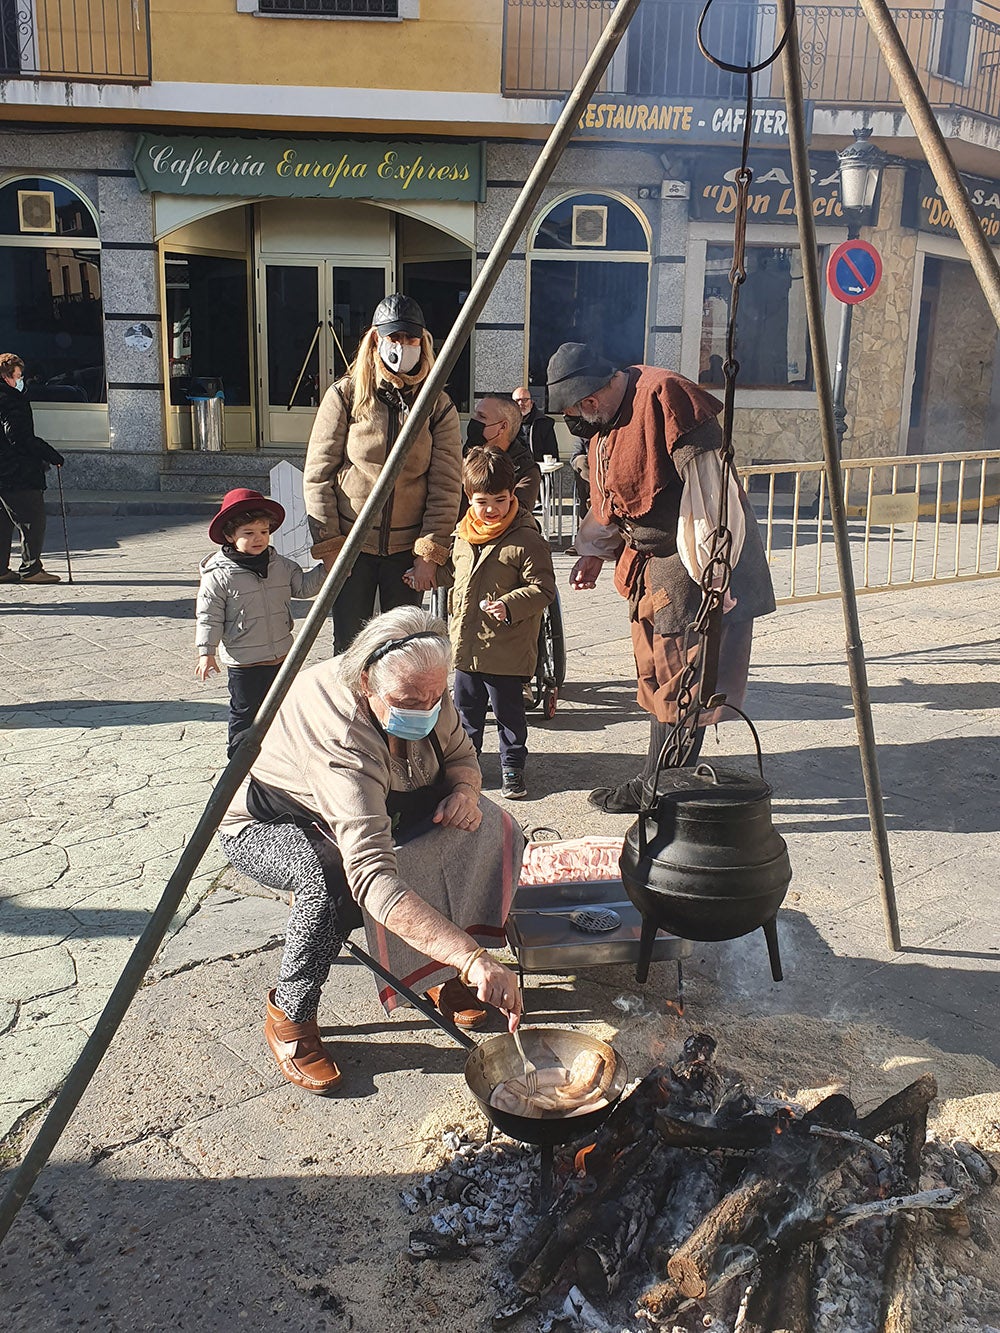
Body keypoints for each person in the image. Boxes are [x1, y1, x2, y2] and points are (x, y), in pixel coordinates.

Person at [219, 605, 524, 1094]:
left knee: (485, 825)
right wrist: (473, 957)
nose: (425, 709)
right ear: (366, 682)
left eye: (434, 696)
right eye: (408, 699)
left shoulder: (423, 684)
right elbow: (372, 874)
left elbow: (464, 756)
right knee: (328, 882)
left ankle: (440, 973)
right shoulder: (342, 734)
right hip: (271, 822)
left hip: (384, 802)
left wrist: (464, 791)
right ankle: (290, 1012)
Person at [546, 342, 776, 815]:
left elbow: (712, 495)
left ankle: (666, 790)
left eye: (577, 411)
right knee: (656, 680)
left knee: (683, 683)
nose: (581, 421)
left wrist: (717, 572)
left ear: (590, 398)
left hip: (694, 561)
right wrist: (595, 550)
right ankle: (656, 779)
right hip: (650, 563)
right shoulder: (606, 419)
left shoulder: (665, 396)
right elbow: (613, 494)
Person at [303, 294, 463, 652]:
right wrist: (329, 546)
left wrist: (429, 554)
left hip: (406, 549)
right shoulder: (345, 395)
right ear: (377, 339)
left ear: (423, 343)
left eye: (411, 339)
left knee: (403, 646)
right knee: (349, 644)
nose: (403, 346)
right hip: (352, 542)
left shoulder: (437, 405)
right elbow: (318, 474)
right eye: (395, 338)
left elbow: (446, 484)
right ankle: (350, 707)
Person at [445, 446, 555, 801]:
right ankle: (468, 766)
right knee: (465, 714)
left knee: (509, 715)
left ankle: (512, 767)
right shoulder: (462, 535)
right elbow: (456, 578)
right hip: (466, 647)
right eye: (482, 501)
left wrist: (509, 605)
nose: (491, 509)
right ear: (468, 499)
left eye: (500, 500)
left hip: (506, 648)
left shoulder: (526, 539)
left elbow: (543, 590)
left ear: (513, 497)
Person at [195, 488, 326, 758]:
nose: (259, 539)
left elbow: (303, 588)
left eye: (264, 532)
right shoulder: (218, 576)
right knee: (245, 713)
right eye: (249, 533)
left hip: (281, 655)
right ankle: (239, 762)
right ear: (230, 536)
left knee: (283, 708)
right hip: (245, 662)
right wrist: (206, 652)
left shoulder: (282, 565)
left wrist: (329, 567)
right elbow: (209, 615)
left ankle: (280, 756)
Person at [0, 352, 65, 584]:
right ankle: (31, 569)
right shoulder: (10, 399)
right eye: (18, 375)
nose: (21, 379)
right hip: (15, 470)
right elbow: (19, 437)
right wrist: (50, 454)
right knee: (32, 519)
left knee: (3, 520)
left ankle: (1, 569)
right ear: (8, 375)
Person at [465, 395, 542, 514]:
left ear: (502, 427)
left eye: (482, 416)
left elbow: (516, 514)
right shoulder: (463, 456)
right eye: (475, 415)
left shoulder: (526, 470)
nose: (474, 420)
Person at [512, 386, 559, 463]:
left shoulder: (545, 424)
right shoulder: (505, 423)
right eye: (517, 400)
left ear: (531, 403)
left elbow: (552, 453)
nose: (521, 403)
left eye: (525, 400)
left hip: (536, 468)